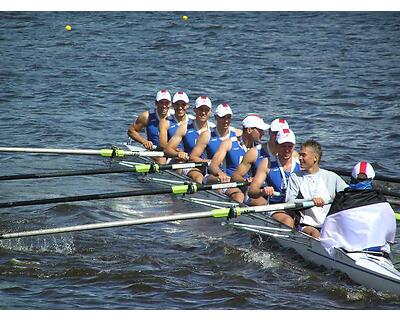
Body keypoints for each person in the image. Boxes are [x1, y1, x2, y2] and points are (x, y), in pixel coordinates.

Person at [319, 162, 396, 257]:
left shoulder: (342, 200)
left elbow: (326, 234)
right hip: (377, 252)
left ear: (352, 178)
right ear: (371, 180)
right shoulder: (382, 202)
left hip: (349, 253)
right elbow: (390, 236)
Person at [285, 139, 348, 238]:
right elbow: (289, 202)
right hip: (305, 225)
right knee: (315, 234)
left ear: (315, 158)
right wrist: (311, 201)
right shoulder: (296, 177)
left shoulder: (331, 177)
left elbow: (348, 195)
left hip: (327, 225)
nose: (300, 158)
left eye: (303, 155)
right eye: (300, 155)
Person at [208, 114, 269, 202]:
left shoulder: (258, 148)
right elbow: (213, 165)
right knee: (239, 196)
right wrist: (220, 174)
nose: (263, 133)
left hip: (247, 186)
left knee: (264, 202)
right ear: (249, 130)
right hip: (228, 182)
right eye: (260, 130)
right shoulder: (229, 143)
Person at [248, 128, 300, 222]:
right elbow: (251, 191)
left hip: (297, 207)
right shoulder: (267, 163)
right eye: (283, 146)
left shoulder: (300, 162)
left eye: (290, 146)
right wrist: (262, 191)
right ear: (276, 145)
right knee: (288, 221)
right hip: (275, 207)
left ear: (294, 146)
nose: (287, 150)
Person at [164, 95, 214, 183]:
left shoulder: (213, 129)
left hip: (207, 166)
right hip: (186, 164)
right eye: (200, 109)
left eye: (206, 110)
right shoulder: (185, 127)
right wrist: (177, 154)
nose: (203, 113)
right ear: (195, 110)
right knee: (198, 176)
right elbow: (167, 149)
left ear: (210, 111)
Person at [189, 103, 242, 183]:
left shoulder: (238, 134)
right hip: (212, 175)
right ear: (216, 117)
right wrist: (209, 162)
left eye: (228, 117)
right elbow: (193, 157)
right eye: (222, 118)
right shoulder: (207, 135)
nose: (226, 121)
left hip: (231, 176)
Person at [231, 118, 292, 185]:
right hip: (258, 192)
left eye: (281, 134)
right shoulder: (254, 153)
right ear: (269, 132)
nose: (278, 137)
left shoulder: (293, 155)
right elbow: (235, 176)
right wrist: (246, 180)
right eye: (276, 133)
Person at [127, 89, 172, 163]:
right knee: (162, 160)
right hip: (155, 150)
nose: (164, 106)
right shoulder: (146, 116)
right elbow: (131, 131)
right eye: (161, 102)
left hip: (172, 151)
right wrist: (144, 141)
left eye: (166, 103)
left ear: (170, 104)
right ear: (156, 103)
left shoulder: (174, 116)